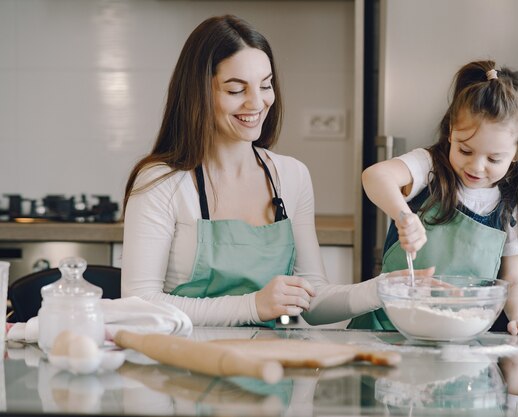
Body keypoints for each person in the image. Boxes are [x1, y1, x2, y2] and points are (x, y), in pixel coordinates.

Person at [121, 14, 432, 327]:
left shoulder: (291, 176)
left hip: (271, 369)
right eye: (235, 90)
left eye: (265, 85)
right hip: (185, 369)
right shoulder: (162, 182)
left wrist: (386, 289)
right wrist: (253, 306)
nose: (257, 103)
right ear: (198, 92)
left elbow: (313, 301)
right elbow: (140, 304)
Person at [351, 60, 518, 337]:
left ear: (517, 154)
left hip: (457, 339)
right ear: (451, 133)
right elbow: (375, 176)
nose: (476, 166)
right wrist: (403, 215)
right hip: (388, 331)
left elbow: (513, 279)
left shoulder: (512, 207)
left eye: (494, 158)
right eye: (465, 150)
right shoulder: (429, 167)